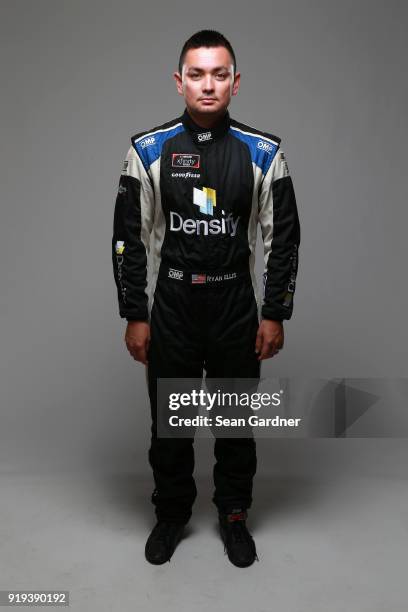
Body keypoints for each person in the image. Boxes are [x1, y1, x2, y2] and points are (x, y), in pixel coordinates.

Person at [112, 30, 300, 568]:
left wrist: (274, 312)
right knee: (170, 421)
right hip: (171, 305)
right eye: (197, 74)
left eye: (220, 74)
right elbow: (127, 238)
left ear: (236, 83)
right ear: (179, 82)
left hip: (235, 306)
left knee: (236, 419)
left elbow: (281, 237)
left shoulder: (263, 152)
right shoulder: (148, 150)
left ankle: (234, 514)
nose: (208, 85)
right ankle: (171, 514)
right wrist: (135, 314)